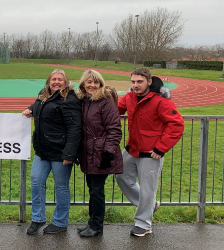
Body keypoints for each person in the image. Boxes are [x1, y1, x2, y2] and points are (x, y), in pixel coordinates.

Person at [116, 68, 184, 237]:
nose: (136, 85)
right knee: (121, 175)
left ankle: (143, 224)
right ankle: (150, 205)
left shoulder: (161, 101)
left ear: (149, 81)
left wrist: (161, 147)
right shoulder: (129, 97)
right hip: (132, 147)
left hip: (152, 151)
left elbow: (177, 125)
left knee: (148, 189)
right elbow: (116, 110)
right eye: (133, 82)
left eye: (139, 82)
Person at [22, 69, 82, 235]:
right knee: (35, 182)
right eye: (53, 79)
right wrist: (30, 109)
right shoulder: (43, 94)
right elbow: (38, 106)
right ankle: (38, 219)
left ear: (65, 82)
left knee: (61, 187)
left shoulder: (69, 99)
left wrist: (69, 154)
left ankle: (60, 222)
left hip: (60, 152)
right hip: (42, 151)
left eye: (60, 79)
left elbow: (75, 128)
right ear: (49, 81)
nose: (56, 82)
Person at [76, 69, 123, 237]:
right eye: (89, 82)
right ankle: (92, 222)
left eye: (96, 82)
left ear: (100, 84)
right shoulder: (83, 101)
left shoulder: (106, 102)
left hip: (101, 153)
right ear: (83, 84)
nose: (92, 85)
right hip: (88, 152)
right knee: (92, 189)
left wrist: (108, 153)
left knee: (97, 191)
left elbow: (115, 130)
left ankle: (96, 226)